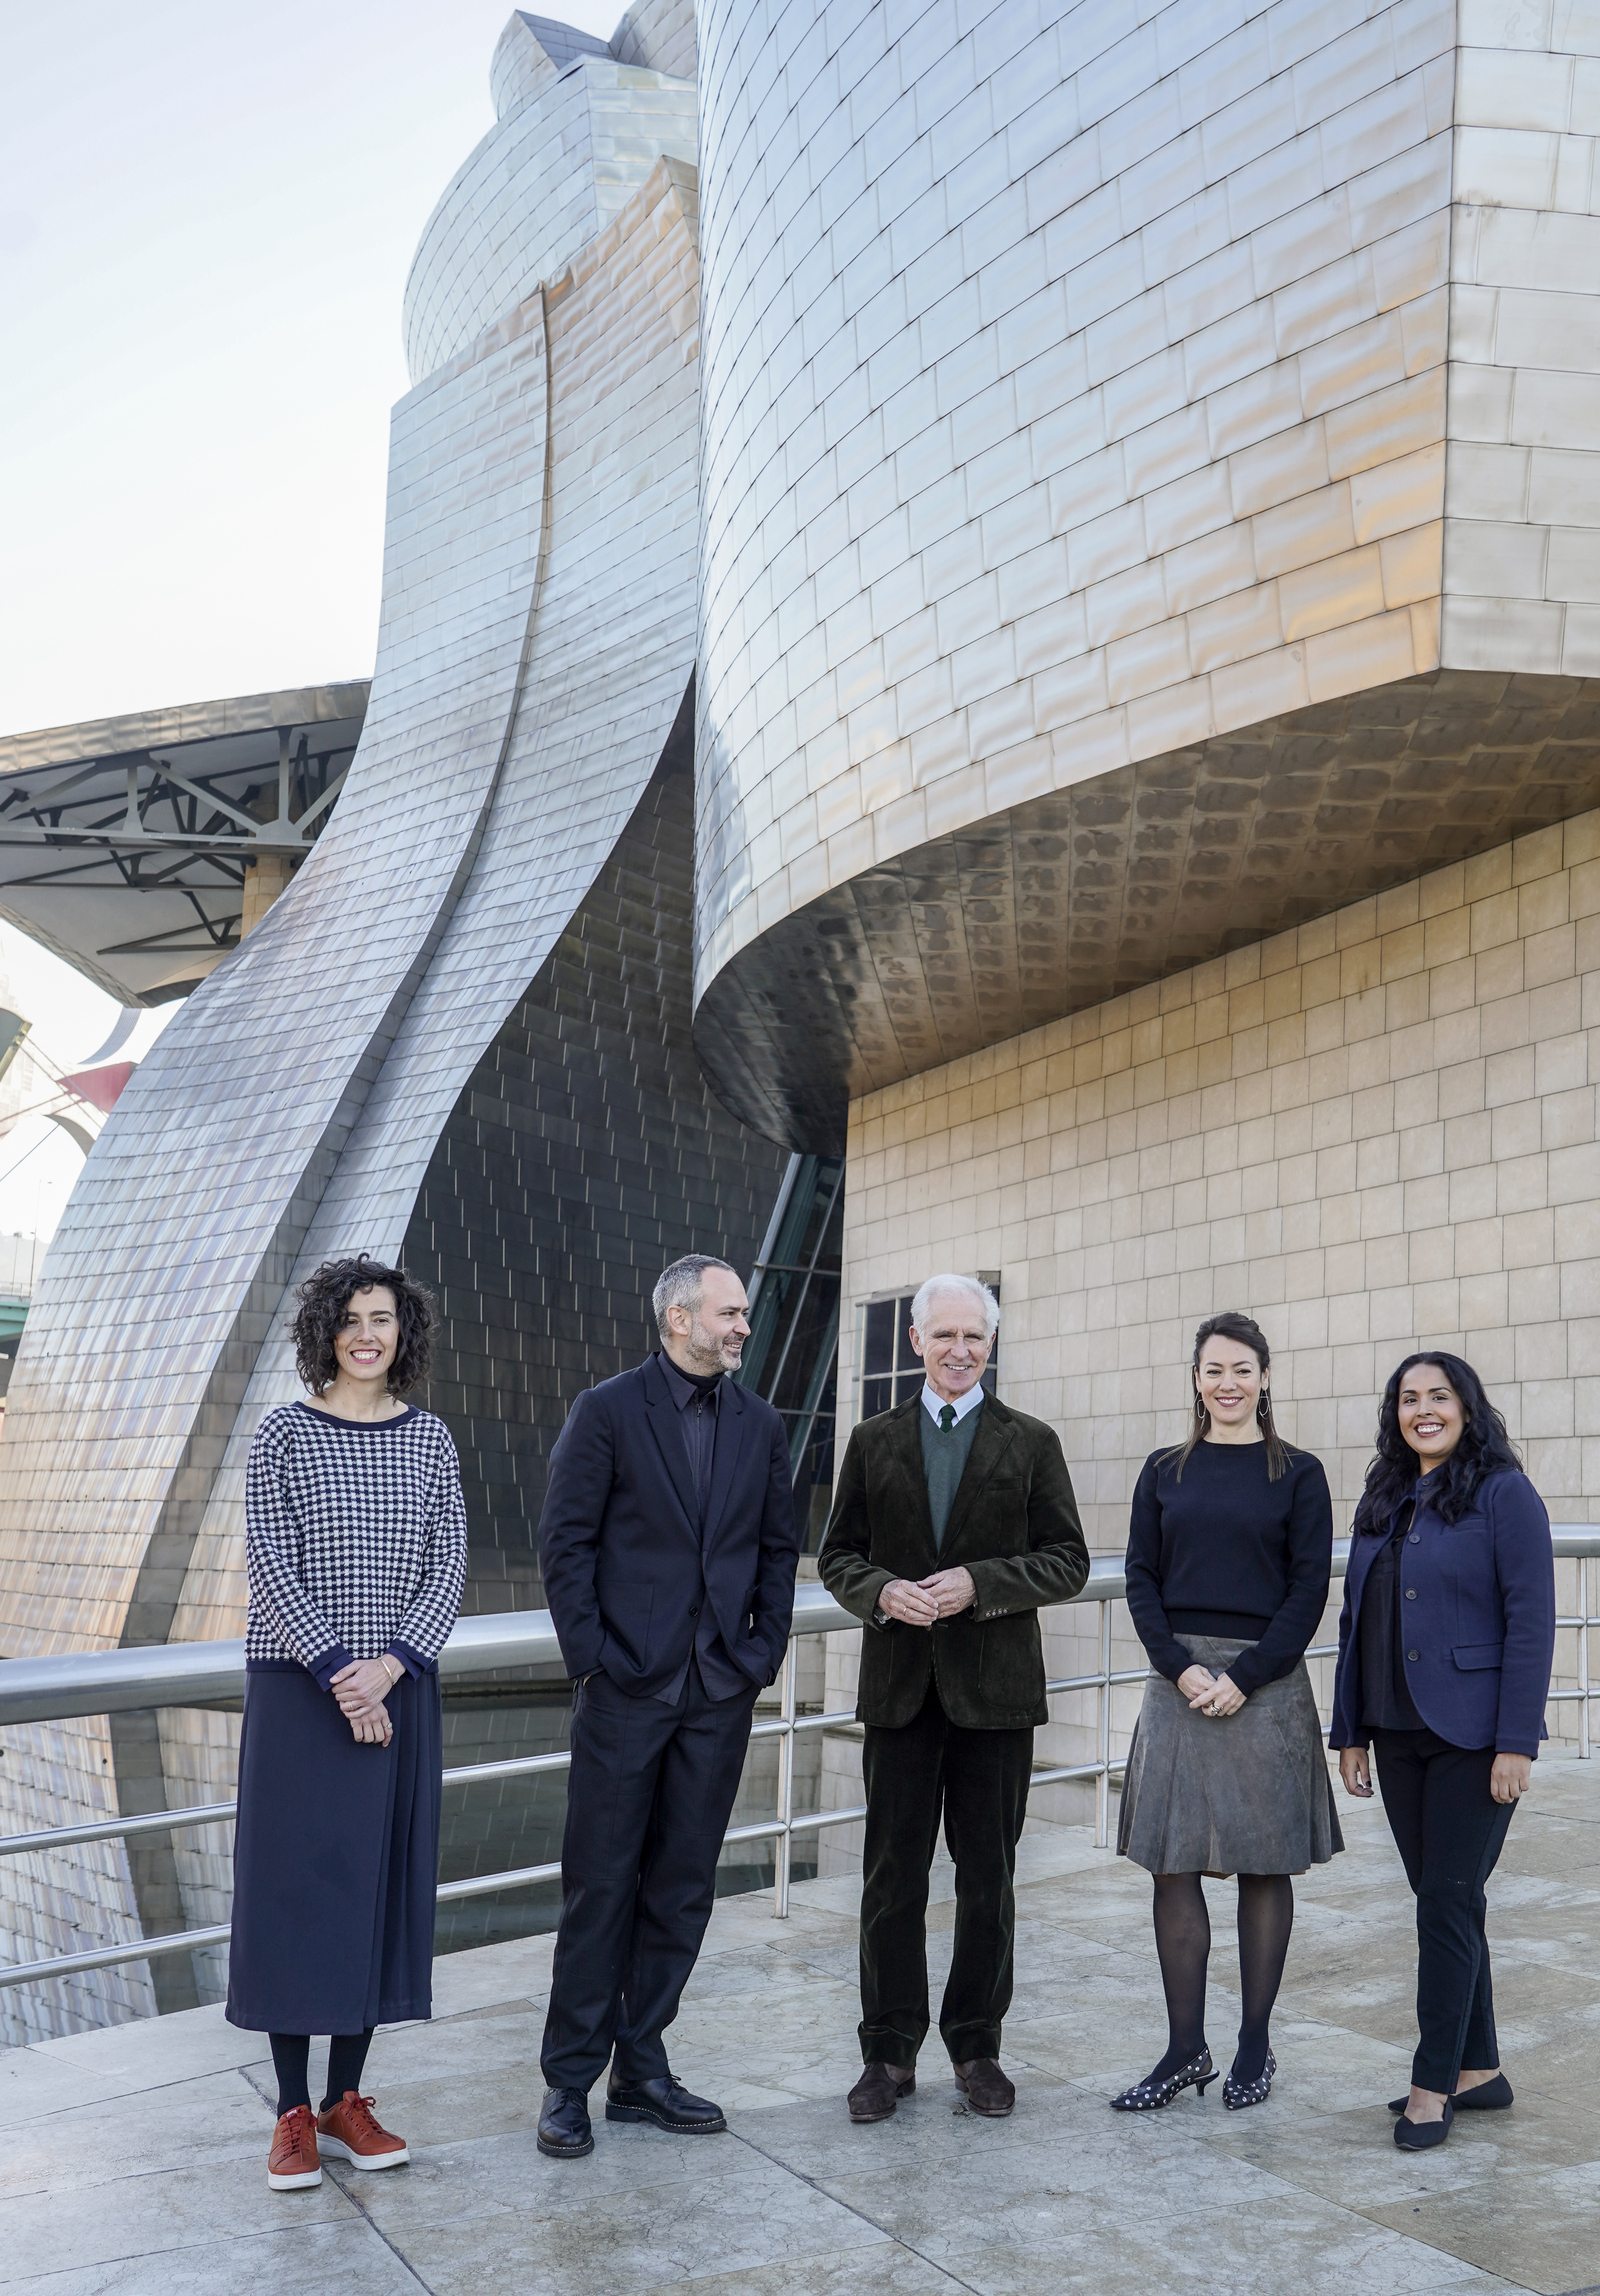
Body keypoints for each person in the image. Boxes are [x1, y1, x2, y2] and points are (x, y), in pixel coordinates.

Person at [535, 1253, 799, 2160]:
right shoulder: (606, 1411)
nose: (742, 1328)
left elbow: (776, 1550)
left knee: (682, 1889)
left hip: (718, 1691)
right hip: (625, 1692)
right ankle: (568, 2083)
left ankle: (640, 2069)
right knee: (601, 1888)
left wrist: (759, 1656)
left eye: (745, 1316)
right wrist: (594, 1664)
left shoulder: (762, 1425)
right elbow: (564, 1542)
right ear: (678, 1318)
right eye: (728, 1313)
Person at [818, 1275, 1088, 2125]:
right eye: (944, 1336)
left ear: (992, 1343)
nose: (960, 1350)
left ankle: (977, 2047)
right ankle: (886, 2056)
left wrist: (981, 1582)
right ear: (915, 1342)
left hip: (995, 1700)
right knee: (890, 1882)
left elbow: (1067, 1560)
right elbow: (838, 1556)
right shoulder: (870, 1440)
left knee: (989, 1881)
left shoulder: (1032, 1442)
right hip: (900, 1693)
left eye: (974, 1336)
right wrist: (879, 1592)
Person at [227, 1254, 467, 2193]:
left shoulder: (432, 1442)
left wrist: (390, 1667)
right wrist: (340, 1674)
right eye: (353, 1319)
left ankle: (346, 2100)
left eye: (385, 1319)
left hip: (397, 1687)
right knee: (294, 1896)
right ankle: (292, 2111)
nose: (369, 1335)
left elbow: (446, 1567)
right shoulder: (285, 1434)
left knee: (374, 1891)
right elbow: (273, 1569)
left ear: (404, 1335)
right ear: (325, 1330)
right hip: (300, 1693)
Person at [1113, 1311, 1340, 2115]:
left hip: (1266, 1685)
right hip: (1177, 1683)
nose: (1228, 1383)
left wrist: (1244, 1675)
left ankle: (1252, 2043)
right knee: (1172, 1864)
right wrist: (1180, 1671)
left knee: (1263, 1863)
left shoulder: (1300, 1474)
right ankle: (1184, 2050)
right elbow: (1140, 1578)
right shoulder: (1163, 1469)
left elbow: (1308, 1589)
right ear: (1197, 1378)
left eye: (1242, 1368)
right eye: (1214, 1369)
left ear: (1266, 1377)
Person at [1331, 1352, 1555, 2151]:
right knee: (1446, 1896)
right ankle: (1480, 2070)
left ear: (1468, 1407)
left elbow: (1532, 1622)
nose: (1423, 1409)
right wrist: (1348, 1728)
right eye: (1408, 1398)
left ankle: (1433, 2084)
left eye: (1440, 1396)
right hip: (1394, 1731)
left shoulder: (1504, 1494)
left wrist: (1516, 1742)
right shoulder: (1386, 1495)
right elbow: (1356, 1620)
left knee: (1446, 1903)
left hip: (1474, 1734)